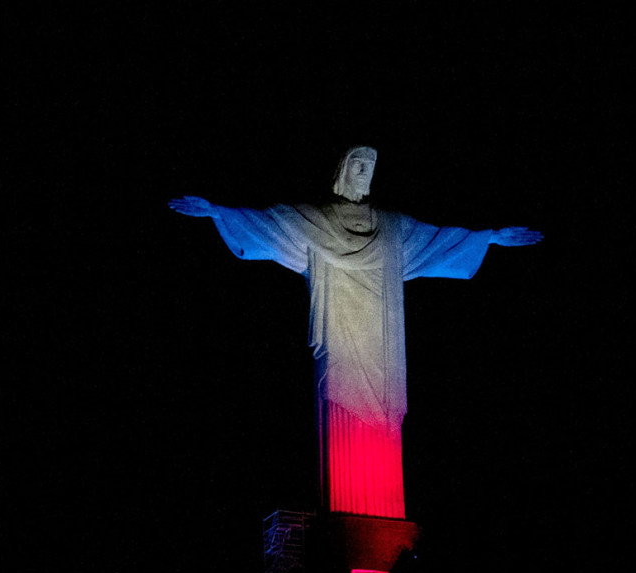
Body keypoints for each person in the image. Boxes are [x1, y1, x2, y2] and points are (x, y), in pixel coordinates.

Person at [169, 146, 542, 519]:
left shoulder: (393, 228)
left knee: (384, 440)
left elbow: (439, 241)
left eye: (371, 166)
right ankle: (346, 523)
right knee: (343, 429)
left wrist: (490, 237)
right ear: (343, 171)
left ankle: (383, 524)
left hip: (384, 353)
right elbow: (269, 224)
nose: (365, 171)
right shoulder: (316, 221)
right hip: (341, 346)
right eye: (358, 164)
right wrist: (218, 212)